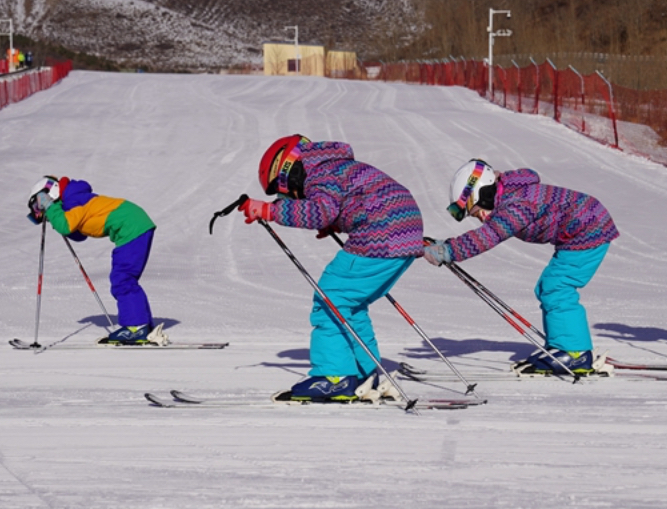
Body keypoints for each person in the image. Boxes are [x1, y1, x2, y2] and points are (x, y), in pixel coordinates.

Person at [240, 136, 424, 401]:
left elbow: (320, 211)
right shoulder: (334, 167)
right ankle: (364, 374)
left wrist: (270, 210)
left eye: (284, 192)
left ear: (288, 171)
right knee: (350, 305)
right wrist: (339, 221)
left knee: (331, 299)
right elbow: (352, 202)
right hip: (405, 232)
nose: (291, 197)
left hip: (380, 235)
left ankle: (334, 377)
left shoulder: (320, 173)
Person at [422, 160, 619, 375]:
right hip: (581, 229)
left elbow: (488, 236)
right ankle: (561, 346)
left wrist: (449, 251)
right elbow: (487, 231)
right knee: (548, 287)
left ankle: (574, 353)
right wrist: (444, 245)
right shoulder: (510, 197)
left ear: (484, 194)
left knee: (557, 287)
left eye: (477, 211)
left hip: (590, 229)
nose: (480, 218)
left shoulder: (517, 205)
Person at [27, 176, 165, 345]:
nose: (41, 212)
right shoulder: (74, 199)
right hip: (133, 225)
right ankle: (143, 327)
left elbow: (66, 226)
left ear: (49, 193)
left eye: (39, 205)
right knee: (124, 278)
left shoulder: (73, 199)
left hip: (131, 227)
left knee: (123, 279)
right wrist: (56, 215)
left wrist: (52, 208)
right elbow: (79, 234)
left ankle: (136, 327)